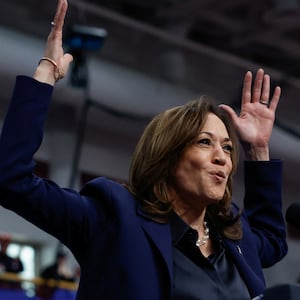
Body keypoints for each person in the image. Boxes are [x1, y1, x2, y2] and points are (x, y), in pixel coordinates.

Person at [0, 0, 287, 299]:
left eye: (227, 148)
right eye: (205, 142)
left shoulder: (232, 234)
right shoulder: (115, 217)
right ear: (168, 156)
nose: (222, 158)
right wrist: (45, 75)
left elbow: (272, 241)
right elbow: (12, 181)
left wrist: (257, 149)